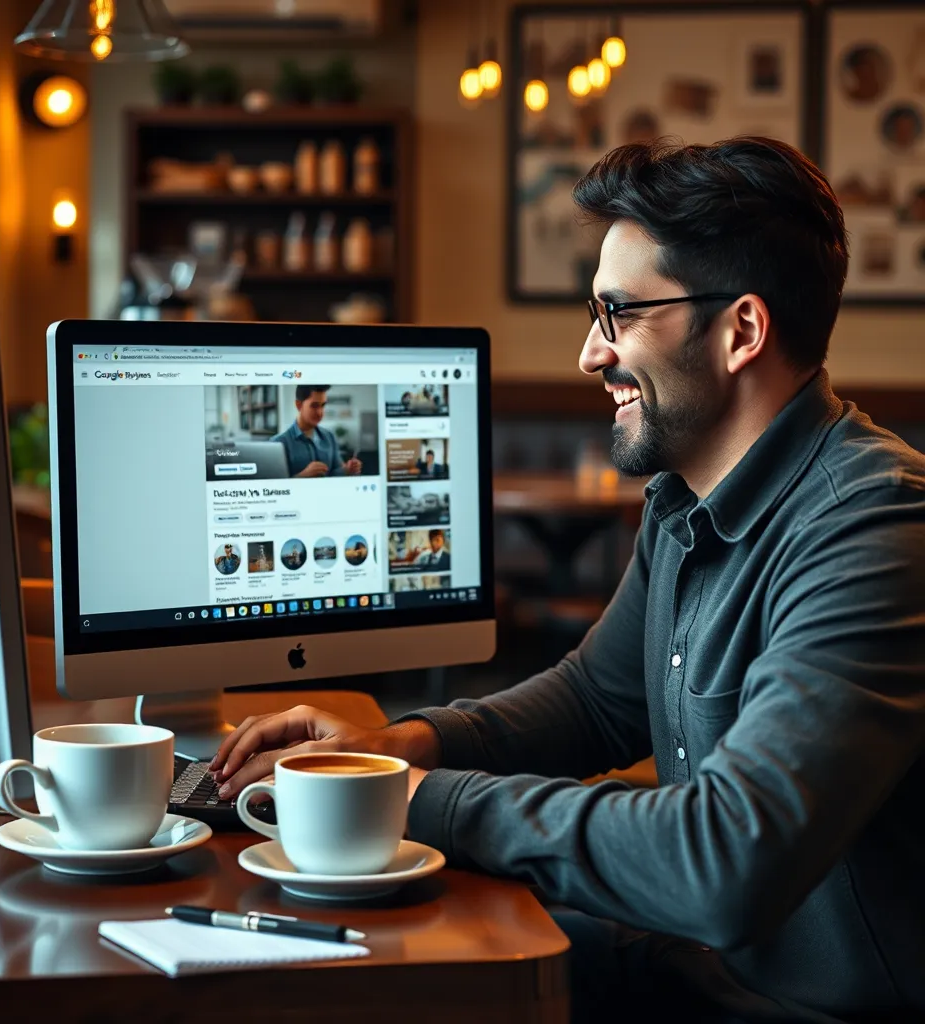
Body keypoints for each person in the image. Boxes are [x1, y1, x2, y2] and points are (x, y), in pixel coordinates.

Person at [208, 138, 925, 1023]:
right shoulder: (687, 497)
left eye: (619, 313)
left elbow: (725, 859)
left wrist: (413, 800)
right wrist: (402, 745)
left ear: (741, 330)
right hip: (714, 963)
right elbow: (596, 699)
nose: (590, 353)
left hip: (809, 1005)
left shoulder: (874, 530)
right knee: (349, 954)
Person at [272, 385, 362, 478]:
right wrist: (302, 476)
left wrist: (347, 470)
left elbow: (335, 472)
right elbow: (275, 486)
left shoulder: (329, 437)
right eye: (314, 406)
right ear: (299, 405)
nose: (320, 412)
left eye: (323, 405)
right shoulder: (278, 443)